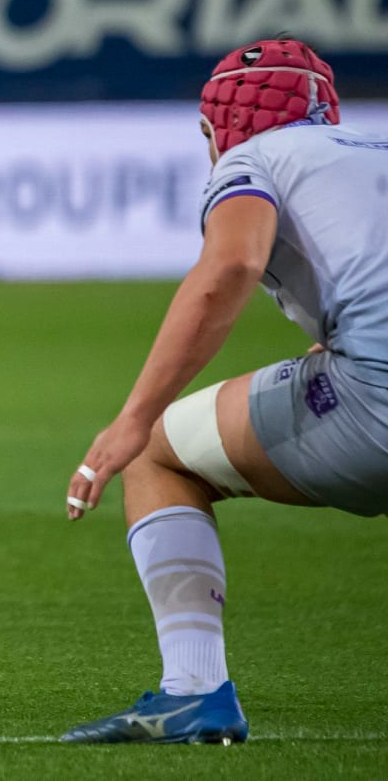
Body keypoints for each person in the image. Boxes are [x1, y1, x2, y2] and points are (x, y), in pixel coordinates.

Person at [62, 38, 388, 744]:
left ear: (217, 128)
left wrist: (132, 418)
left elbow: (232, 264)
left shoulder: (251, 160)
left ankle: (193, 693)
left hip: (376, 406)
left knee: (157, 453)